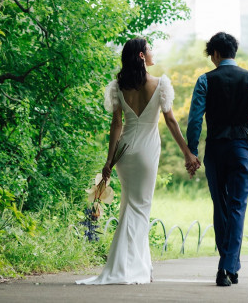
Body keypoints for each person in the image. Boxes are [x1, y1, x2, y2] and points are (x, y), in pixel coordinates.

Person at [77, 37, 200, 285]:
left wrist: (109, 161)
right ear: (142, 56)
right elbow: (171, 122)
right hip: (146, 151)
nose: (153, 52)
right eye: (149, 49)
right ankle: (124, 267)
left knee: (130, 207)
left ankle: (142, 266)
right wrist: (187, 152)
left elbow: (116, 125)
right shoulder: (160, 84)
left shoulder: (118, 87)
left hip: (125, 153)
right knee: (140, 209)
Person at [186, 31, 248, 287]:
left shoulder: (205, 80)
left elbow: (194, 119)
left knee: (221, 207)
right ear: (233, 52)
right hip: (243, 149)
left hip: (216, 150)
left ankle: (227, 265)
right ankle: (228, 266)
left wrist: (192, 151)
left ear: (216, 54)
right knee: (237, 207)